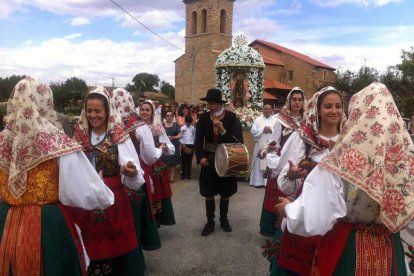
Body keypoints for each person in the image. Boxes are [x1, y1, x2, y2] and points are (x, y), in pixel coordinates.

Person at [276, 82, 413, 275]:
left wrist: (288, 211)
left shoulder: (341, 160)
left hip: (348, 251)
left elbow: (314, 217)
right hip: (390, 253)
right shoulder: (406, 161)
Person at [0, 77, 114, 275]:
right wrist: (102, 192)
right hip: (47, 226)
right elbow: (84, 192)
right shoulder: (57, 141)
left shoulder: (3, 140)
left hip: (5, 220)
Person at [70, 86, 146, 276]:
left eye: (97, 111)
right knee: (91, 251)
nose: (92, 115)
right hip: (86, 201)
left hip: (114, 200)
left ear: (107, 111)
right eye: (89, 110)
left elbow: (133, 169)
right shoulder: (79, 136)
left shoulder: (118, 135)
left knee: (116, 252)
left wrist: (130, 172)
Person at [270, 86, 346, 275]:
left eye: (338, 106)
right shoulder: (302, 138)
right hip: (302, 214)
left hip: (337, 221)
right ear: (317, 110)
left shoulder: (349, 142)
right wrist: (291, 176)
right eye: (328, 106)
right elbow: (283, 182)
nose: (334, 111)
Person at [111, 88, 163, 251]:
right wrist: (160, 150)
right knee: (136, 215)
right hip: (136, 172)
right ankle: (136, 247)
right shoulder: (139, 126)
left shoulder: (109, 126)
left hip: (112, 177)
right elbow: (149, 157)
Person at [195, 88, 243, 236]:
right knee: (208, 192)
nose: (209, 105)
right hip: (208, 158)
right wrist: (200, 156)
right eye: (208, 102)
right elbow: (198, 140)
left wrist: (223, 131)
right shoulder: (203, 118)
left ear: (218, 103)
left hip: (226, 158)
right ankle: (210, 222)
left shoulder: (231, 118)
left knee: (225, 191)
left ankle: (224, 219)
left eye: (211, 103)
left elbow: (237, 141)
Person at [258, 87, 305, 237]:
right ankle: (270, 229)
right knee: (275, 194)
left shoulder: (307, 121)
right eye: (294, 99)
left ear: (304, 102)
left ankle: (287, 231)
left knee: (294, 194)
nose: (297, 103)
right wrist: (269, 153)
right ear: (289, 101)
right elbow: (274, 141)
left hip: (298, 163)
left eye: (300, 100)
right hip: (281, 161)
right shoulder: (281, 120)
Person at [140, 100, 176, 226]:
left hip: (155, 167)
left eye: (147, 110)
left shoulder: (157, 128)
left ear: (152, 112)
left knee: (155, 196)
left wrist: (163, 147)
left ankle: (155, 223)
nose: (144, 112)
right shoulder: (135, 127)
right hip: (141, 166)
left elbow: (170, 148)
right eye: (142, 109)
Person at [249, 103, 277, 188]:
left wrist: (271, 130)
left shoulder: (275, 120)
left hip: (271, 146)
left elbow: (278, 131)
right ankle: (258, 182)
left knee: (269, 162)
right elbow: (253, 132)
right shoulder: (257, 120)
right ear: (263, 110)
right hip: (260, 145)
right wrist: (262, 130)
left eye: (269, 109)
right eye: (265, 109)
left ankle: (267, 183)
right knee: (259, 163)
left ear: (272, 110)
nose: (267, 110)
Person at [162, 110, 181, 183]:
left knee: (173, 162)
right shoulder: (162, 125)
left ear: (173, 117)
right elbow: (159, 135)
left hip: (174, 144)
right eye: (168, 116)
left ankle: (172, 177)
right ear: (165, 117)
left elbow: (180, 135)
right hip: (165, 145)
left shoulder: (176, 125)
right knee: (165, 161)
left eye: (171, 116)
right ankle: (166, 176)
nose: (169, 117)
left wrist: (174, 137)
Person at [179, 115, 196, 180]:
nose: (188, 124)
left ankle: (188, 174)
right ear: (185, 121)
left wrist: (194, 145)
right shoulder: (182, 128)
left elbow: (194, 136)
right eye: (187, 122)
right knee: (183, 161)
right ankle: (183, 174)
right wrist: (182, 143)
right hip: (184, 145)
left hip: (191, 145)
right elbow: (180, 137)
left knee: (189, 161)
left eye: (189, 123)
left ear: (191, 122)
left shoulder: (193, 128)